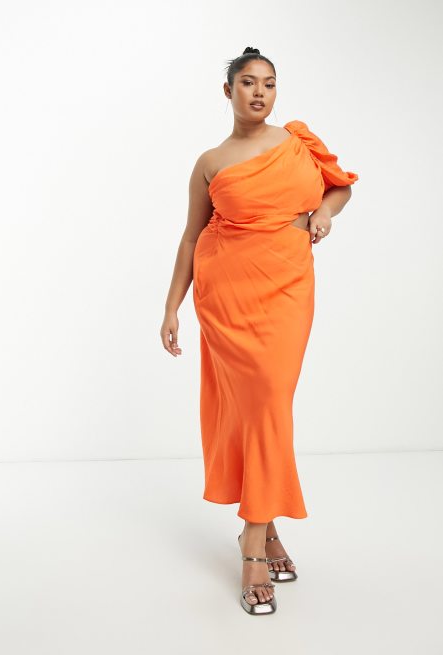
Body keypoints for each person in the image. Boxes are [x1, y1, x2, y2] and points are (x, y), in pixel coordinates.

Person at [160, 46, 359, 615]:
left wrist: (325, 213)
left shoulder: (297, 141)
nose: (260, 93)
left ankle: (260, 528)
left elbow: (340, 186)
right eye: (248, 83)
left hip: (288, 286)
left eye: (269, 84)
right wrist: (172, 307)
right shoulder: (210, 161)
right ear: (228, 91)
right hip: (226, 293)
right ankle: (258, 538)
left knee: (270, 399)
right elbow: (191, 237)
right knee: (256, 409)